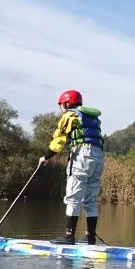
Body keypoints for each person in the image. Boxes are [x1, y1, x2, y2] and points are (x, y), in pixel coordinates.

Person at [38, 89, 105, 245]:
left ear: (67, 104)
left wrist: (45, 157)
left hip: (82, 156)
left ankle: (69, 237)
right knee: (90, 200)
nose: (61, 109)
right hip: (98, 157)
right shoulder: (93, 118)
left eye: (61, 105)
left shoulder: (70, 115)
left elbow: (59, 141)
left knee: (73, 198)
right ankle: (90, 238)